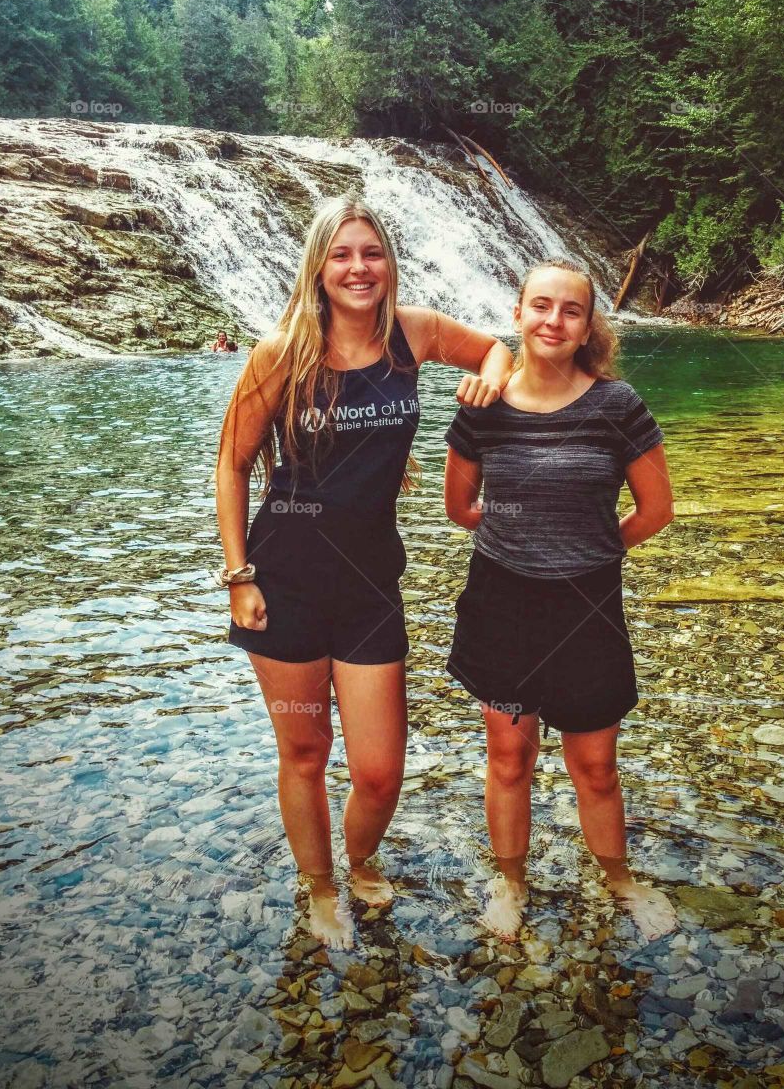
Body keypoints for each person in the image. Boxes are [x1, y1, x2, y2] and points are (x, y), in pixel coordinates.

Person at [214, 196, 513, 949]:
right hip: (284, 576)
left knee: (379, 772)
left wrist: (491, 377)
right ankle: (320, 889)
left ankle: (360, 857)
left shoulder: (413, 334)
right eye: (342, 254)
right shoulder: (281, 351)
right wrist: (238, 574)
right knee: (306, 751)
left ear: (388, 263)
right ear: (319, 265)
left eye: (371, 253)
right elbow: (233, 463)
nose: (358, 268)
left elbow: (493, 351)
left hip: (374, 579)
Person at [443, 258, 677, 942]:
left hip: (588, 607)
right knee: (510, 758)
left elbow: (655, 509)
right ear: (516, 314)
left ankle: (620, 881)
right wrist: (522, 540)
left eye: (570, 310)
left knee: (596, 765)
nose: (553, 320)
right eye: (540, 306)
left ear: (586, 327)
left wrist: (589, 550)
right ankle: (510, 884)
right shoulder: (480, 406)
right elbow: (460, 508)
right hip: (501, 606)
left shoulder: (618, 406)